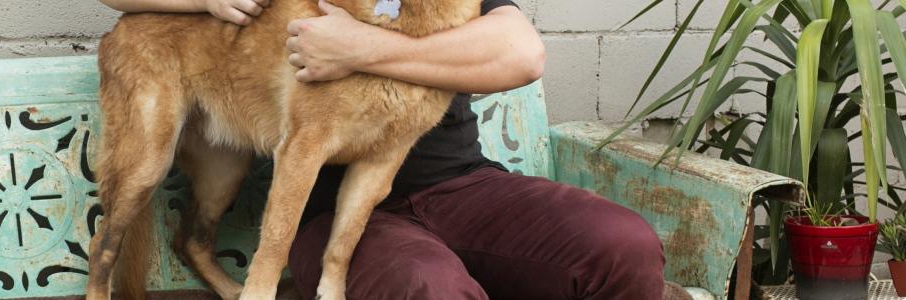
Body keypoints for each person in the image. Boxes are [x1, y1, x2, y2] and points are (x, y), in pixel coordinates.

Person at [96, 0, 668, 298]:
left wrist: (361, 48)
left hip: (464, 182)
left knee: (623, 245)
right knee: (428, 286)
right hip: (332, 212)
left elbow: (522, 53)